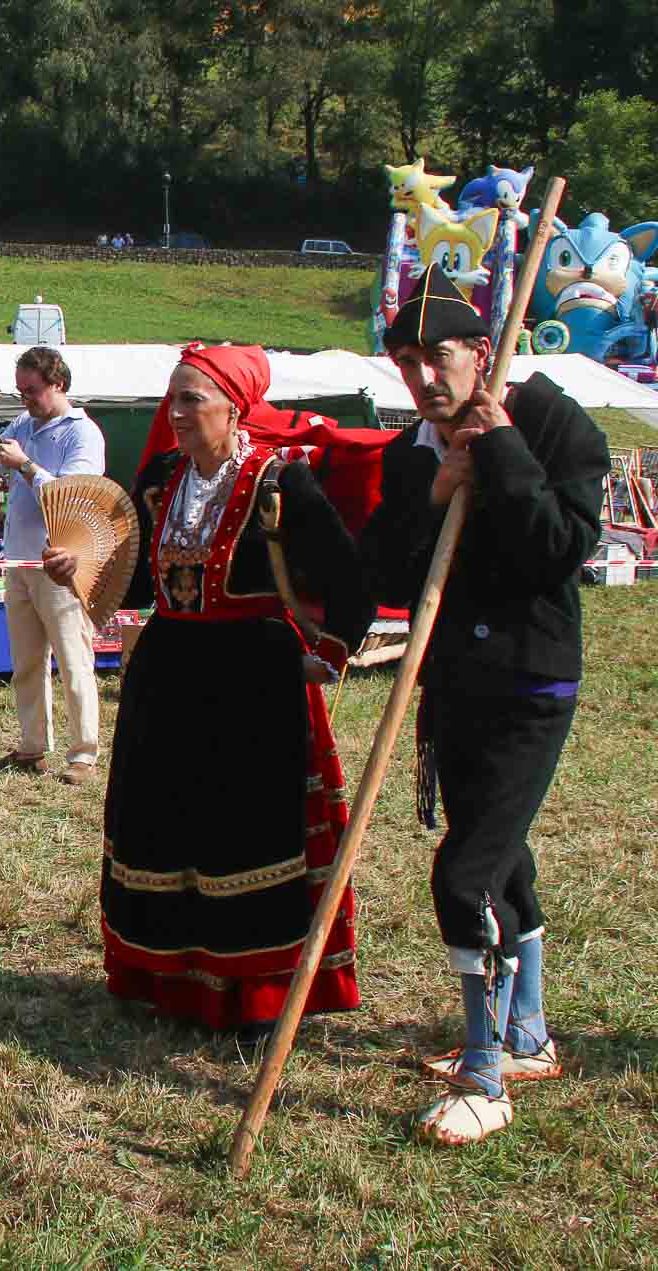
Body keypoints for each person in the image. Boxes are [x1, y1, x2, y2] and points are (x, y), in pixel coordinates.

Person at [360, 265, 608, 1146]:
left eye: (438, 357)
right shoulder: (408, 451)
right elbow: (390, 577)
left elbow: (560, 551)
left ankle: (484, 1071)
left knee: (465, 875)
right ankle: (529, 1033)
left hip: (530, 681)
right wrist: (429, 499)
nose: (425, 379)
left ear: (478, 350)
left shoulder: (548, 420)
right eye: (407, 363)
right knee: (501, 862)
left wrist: (501, 450)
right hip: (452, 684)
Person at [68, 342, 370, 1039]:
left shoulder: (279, 483)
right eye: (171, 398)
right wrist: (81, 567)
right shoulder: (159, 480)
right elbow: (139, 582)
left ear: (234, 408)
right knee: (161, 822)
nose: (174, 413)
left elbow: (348, 578)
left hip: (251, 683)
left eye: (189, 400)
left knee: (244, 833)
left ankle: (251, 997)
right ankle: (166, 974)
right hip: (167, 673)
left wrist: (326, 654)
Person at [0, 346, 107, 783]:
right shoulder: (24, 424)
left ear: (58, 383)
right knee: (26, 660)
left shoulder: (83, 433)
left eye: (33, 391)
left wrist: (25, 465)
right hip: (19, 560)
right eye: (20, 391)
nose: (25, 400)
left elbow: (75, 496)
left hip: (62, 564)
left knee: (73, 660)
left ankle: (83, 754)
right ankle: (32, 747)